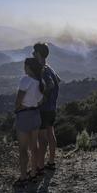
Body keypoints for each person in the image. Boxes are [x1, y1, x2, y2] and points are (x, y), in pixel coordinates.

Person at [13, 58, 44, 187]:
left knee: (23, 149)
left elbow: (18, 100)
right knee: (34, 147)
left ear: (29, 67)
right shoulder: (40, 82)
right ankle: (34, 174)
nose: (24, 68)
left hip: (24, 116)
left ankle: (23, 177)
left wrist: (19, 108)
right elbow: (41, 101)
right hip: (36, 115)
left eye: (25, 66)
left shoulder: (25, 80)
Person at [32, 43, 61, 174]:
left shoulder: (43, 69)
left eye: (34, 52)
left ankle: (40, 166)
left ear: (38, 54)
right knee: (51, 134)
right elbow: (57, 80)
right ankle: (51, 162)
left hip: (44, 109)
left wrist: (41, 100)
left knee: (42, 138)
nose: (32, 55)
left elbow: (49, 84)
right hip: (52, 108)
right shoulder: (50, 68)